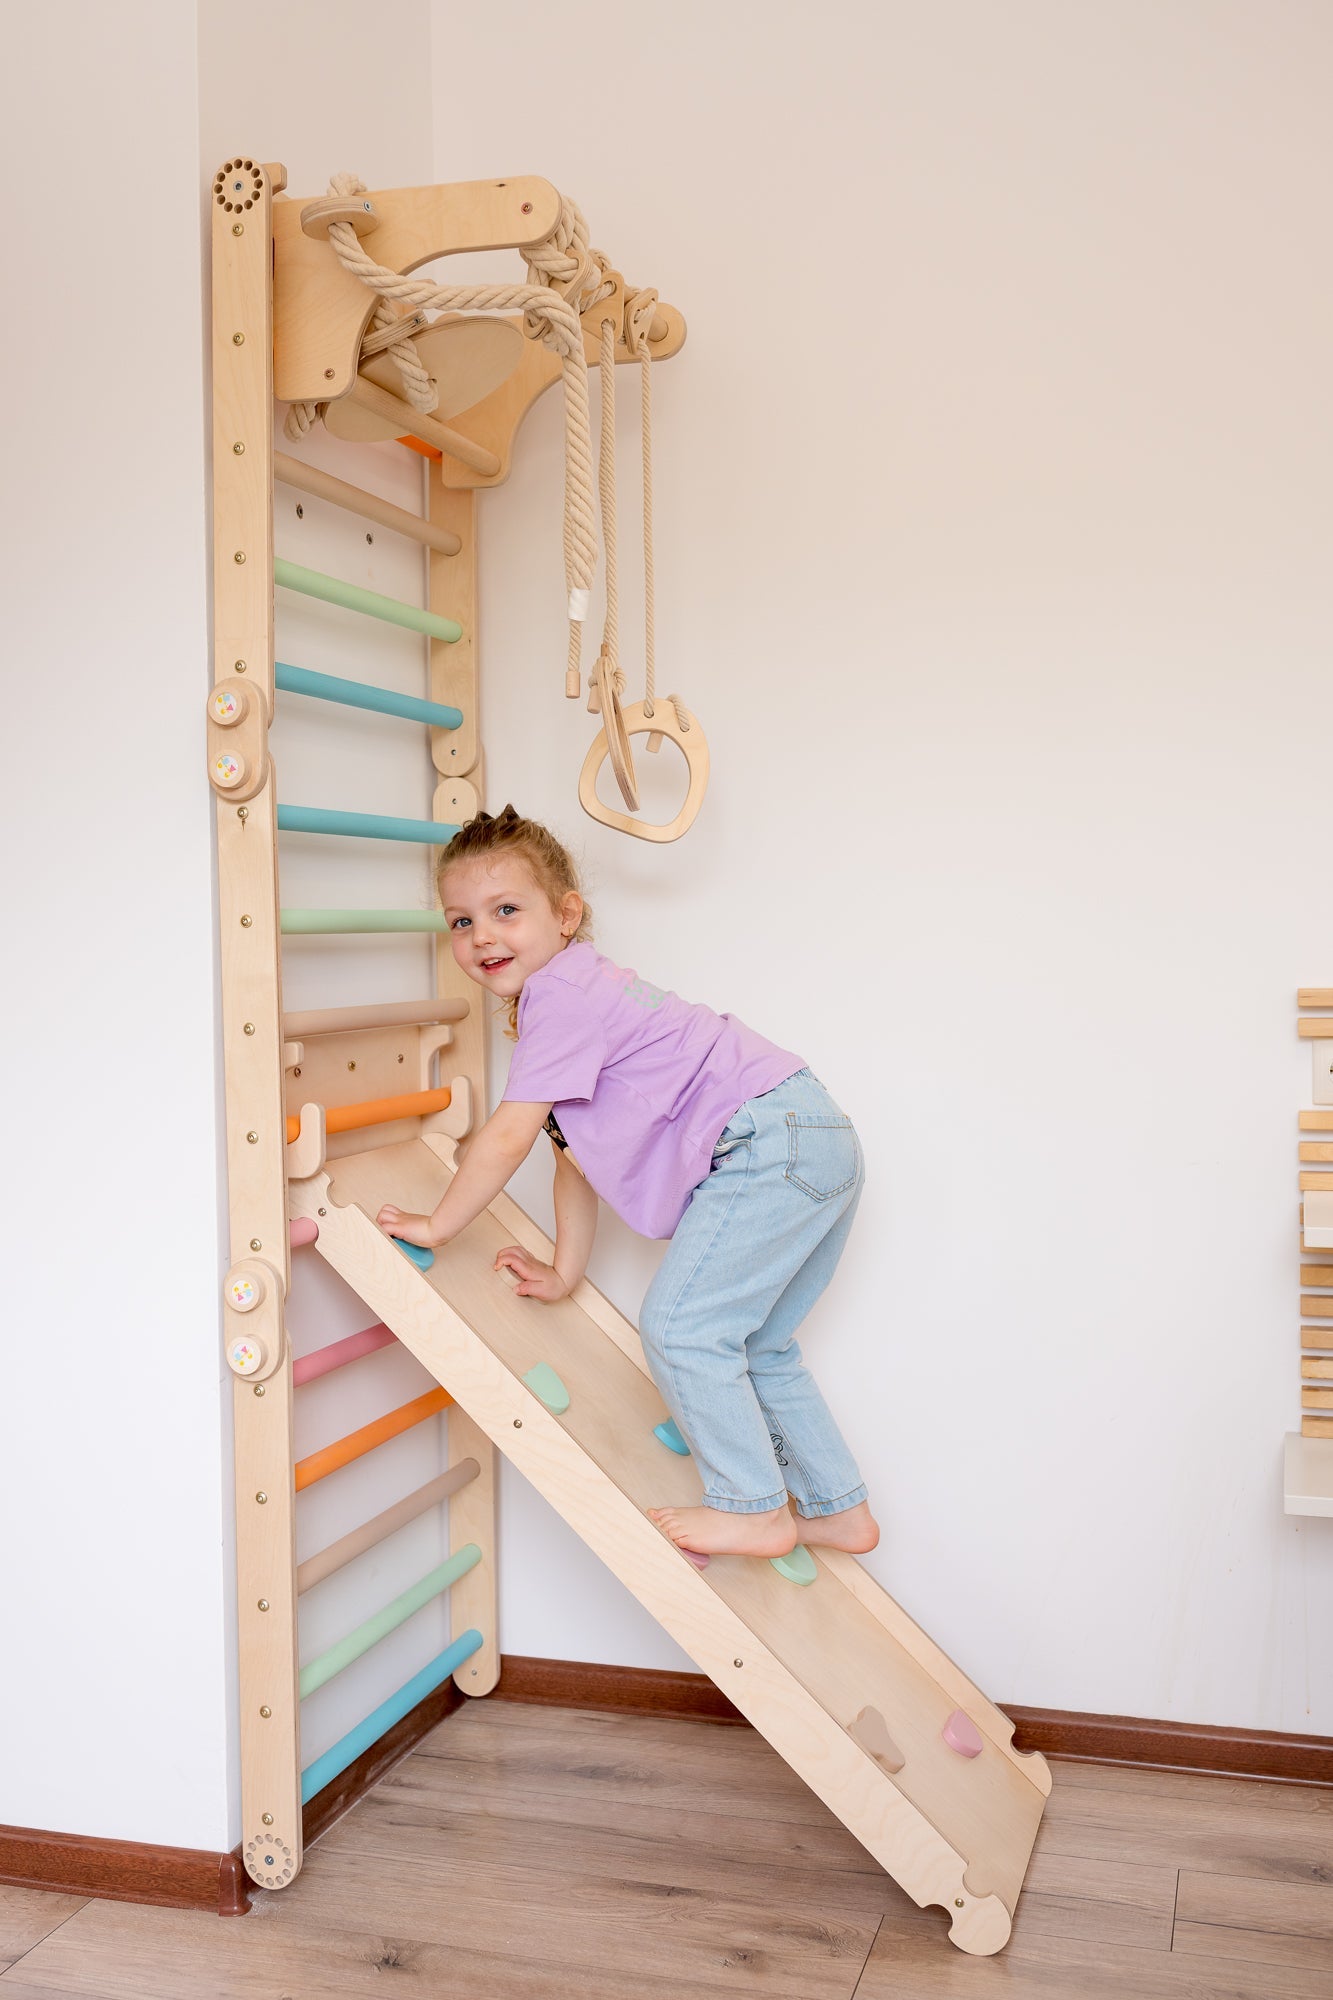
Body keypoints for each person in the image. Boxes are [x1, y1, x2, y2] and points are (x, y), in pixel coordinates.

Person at [376, 805, 877, 1561]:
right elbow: (570, 1156)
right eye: (461, 921)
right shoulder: (582, 992)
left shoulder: (559, 998)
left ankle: (753, 1508)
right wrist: (564, 1270)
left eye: (506, 911)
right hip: (814, 1136)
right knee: (761, 1346)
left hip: (768, 1142)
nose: (481, 936)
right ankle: (838, 1509)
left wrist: (437, 1225)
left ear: (566, 914)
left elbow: (511, 1133)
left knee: (680, 1329)